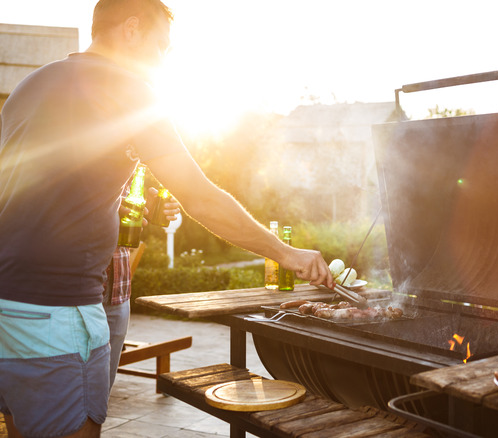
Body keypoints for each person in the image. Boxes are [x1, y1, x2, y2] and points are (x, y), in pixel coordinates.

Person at [0, 0, 334, 436]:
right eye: (161, 47)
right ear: (132, 30)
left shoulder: (33, 84)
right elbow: (201, 198)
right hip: (57, 313)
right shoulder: (128, 90)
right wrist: (285, 252)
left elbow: (37, 195)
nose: (162, 61)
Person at [103, 187, 180, 389]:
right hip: (77, 291)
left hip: (118, 292)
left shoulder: (132, 162)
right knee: (61, 397)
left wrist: (147, 205)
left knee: (100, 396)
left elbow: (128, 205)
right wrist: (108, 206)